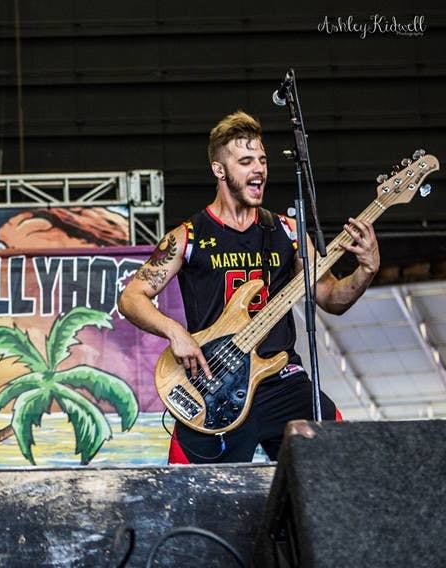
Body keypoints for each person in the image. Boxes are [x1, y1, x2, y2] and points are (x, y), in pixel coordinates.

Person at [117, 110, 380, 463]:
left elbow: (331, 297)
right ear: (219, 170)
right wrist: (175, 332)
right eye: (245, 162)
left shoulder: (287, 232)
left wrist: (366, 269)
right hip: (215, 385)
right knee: (184, 490)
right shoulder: (188, 237)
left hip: (280, 378)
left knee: (339, 465)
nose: (258, 169)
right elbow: (131, 297)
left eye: (262, 160)